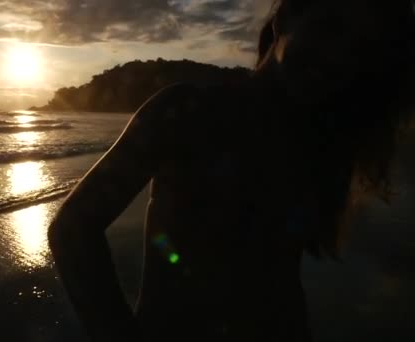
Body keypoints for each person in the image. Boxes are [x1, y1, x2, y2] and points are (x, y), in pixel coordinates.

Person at [47, 0, 415, 341]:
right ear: (288, 16)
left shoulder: (321, 138)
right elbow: (74, 226)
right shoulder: (191, 111)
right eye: (330, 30)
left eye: (358, 51)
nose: (336, 58)